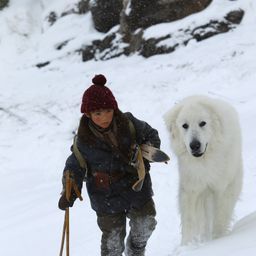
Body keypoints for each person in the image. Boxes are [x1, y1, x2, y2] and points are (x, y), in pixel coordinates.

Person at [58, 74, 161, 256]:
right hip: (105, 196)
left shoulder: (129, 124)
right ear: (88, 114)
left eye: (108, 111)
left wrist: (145, 156)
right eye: (98, 113)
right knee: (112, 244)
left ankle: (136, 250)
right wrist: (69, 189)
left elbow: (151, 135)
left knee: (145, 225)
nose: (104, 117)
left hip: (135, 188)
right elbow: (74, 165)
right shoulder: (83, 141)